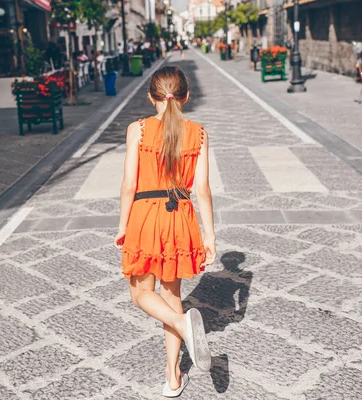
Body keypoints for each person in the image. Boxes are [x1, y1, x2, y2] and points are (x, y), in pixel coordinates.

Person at [114, 66, 216, 397]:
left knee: (141, 294)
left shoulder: (138, 130)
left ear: (151, 96)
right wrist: (210, 236)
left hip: (145, 214)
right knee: (172, 298)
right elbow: (202, 189)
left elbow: (129, 184)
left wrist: (121, 225)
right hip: (180, 217)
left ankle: (186, 329)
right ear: (186, 96)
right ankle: (172, 377)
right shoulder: (198, 132)